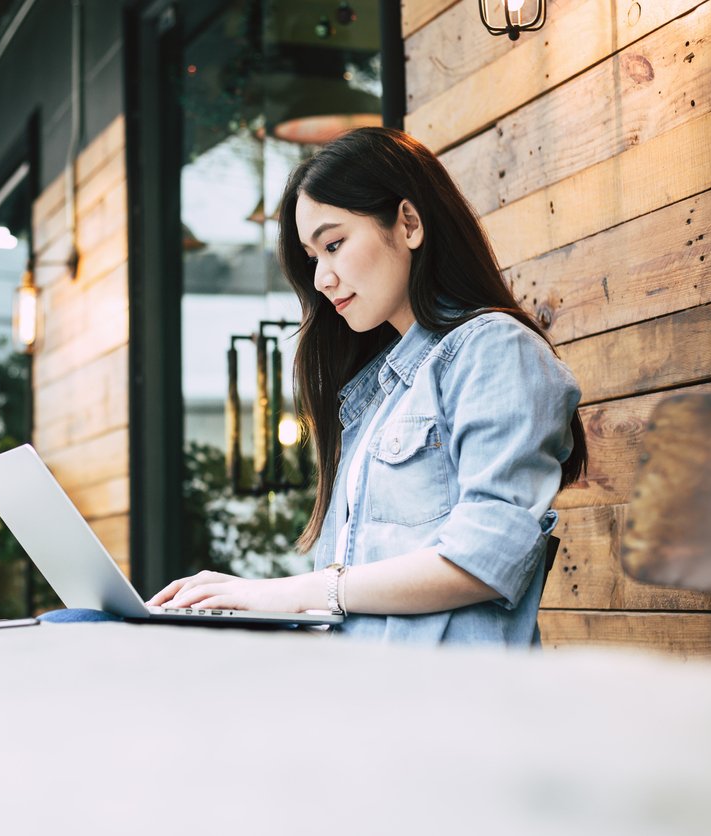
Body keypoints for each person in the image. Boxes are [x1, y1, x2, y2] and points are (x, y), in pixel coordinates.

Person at [145, 127, 587, 646]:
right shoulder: (377, 394)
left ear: (409, 223)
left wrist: (290, 592)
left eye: (333, 245)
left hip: (451, 706)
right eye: (313, 258)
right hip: (362, 697)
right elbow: (357, 607)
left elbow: (484, 561)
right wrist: (251, 600)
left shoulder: (492, 350)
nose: (321, 279)